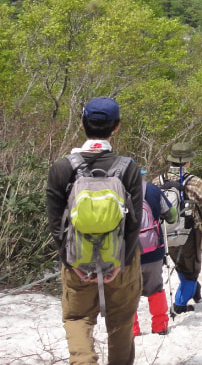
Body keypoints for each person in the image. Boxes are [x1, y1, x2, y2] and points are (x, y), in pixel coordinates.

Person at [45, 96, 144, 365]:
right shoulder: (129, 168)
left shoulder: (62, 167)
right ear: (117, 127)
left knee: (77, 318)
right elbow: (134, 223)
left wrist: (71, 262)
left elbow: (56, 224)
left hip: (77, 258)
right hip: (122, 260)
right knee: (121, 323)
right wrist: (120, 264)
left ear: (82, 123)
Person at [153, 142, 202, 315]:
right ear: (187, 162)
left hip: (165, 232)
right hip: (189, 233)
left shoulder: (158, 181)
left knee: (181, 265)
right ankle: (179, 305)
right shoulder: (193, 182)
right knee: (191, 270)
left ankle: (195, 293)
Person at [133, 170, 177, 336]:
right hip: (153, 250)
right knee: (156, 288)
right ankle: (160, 326)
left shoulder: (114, 192)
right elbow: (172, 216)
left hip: (126, 253)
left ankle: (132, 329)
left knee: (127, 292)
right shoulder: (152, 190)